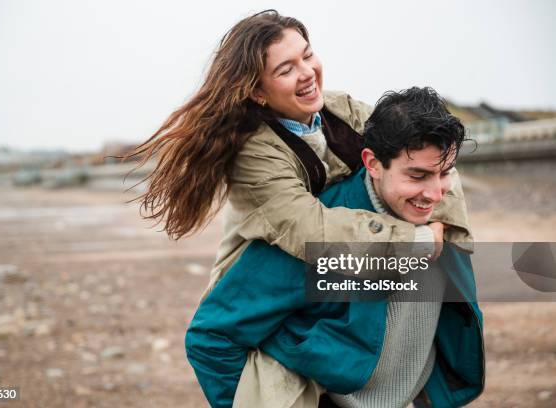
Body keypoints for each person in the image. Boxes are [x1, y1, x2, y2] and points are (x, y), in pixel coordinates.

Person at [128, 8, 473, 407]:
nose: (307, 72)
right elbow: (310, 231)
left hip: (343, 254)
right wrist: (415, 239)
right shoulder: (254, 153)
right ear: (258, 91)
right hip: (274, 264)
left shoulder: (341, 109)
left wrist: (451, 235)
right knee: (269, 345)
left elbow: (427, 151)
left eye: (307, 55)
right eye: (286, 69)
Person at [185, 87, 484, 408]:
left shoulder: (442, 219)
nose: (435, 194)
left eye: (444, 173)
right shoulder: (320, 237)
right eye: (417, 176)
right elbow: (211, 337)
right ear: (372, 163)